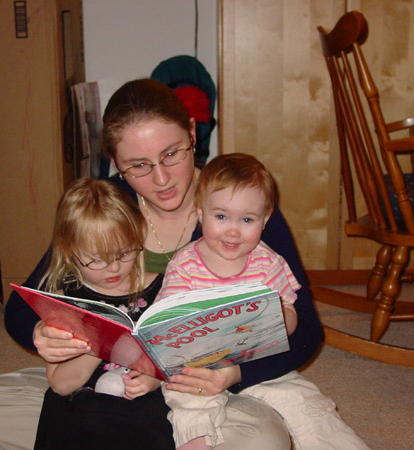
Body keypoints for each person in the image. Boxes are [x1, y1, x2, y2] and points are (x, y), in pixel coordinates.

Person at [0, 78, 324, 450]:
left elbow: (307, 331)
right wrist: (43, 333)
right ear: (115, 164)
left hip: (204, 392)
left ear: (191, 132)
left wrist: (234, 375)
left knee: (264, 440)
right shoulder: (109, 206)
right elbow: (21, 310)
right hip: (114, 384)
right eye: (138, 165)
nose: (161, 178)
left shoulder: (238, 205)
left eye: (172, 154)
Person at [158, 153, 369, 450]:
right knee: (190, 411)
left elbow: (291, 313)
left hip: (259, 361)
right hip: (199, 370)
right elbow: (169, 324)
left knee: (308, 404)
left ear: (265, 219)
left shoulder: (268, 262)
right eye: (221, 217)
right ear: (200, 213)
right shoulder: (184, 265)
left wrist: (277, 318)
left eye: (247, 219)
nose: (233, 231)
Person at [29, 177, 172, 449]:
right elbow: (60, 385)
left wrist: (155, 379)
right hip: (84, 402)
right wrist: (101, 342)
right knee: (67, 415)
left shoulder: (163, 289)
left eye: (125, 253)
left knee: (156, 421)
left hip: (139, 406)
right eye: (97, 259)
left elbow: (176, 358)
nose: (114, 267)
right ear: (69, 250)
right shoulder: (65, 300)